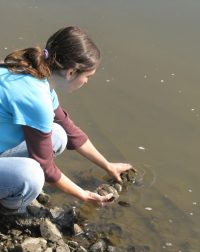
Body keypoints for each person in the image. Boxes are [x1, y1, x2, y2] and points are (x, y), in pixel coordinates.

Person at [0, 26, 133, 215]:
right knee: (31, 175)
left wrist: (108, 166)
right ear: (71, 72)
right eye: (87, 76)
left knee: (59, 135)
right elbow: (46, 168)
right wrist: (84, 195)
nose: (87, 82)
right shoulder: (36, 99)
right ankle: (9, 211)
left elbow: (71, 132)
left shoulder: (25, 69)